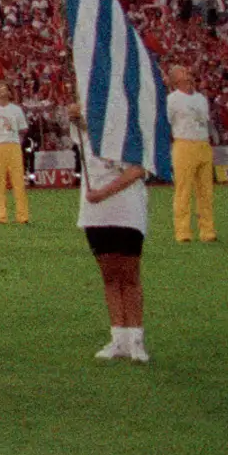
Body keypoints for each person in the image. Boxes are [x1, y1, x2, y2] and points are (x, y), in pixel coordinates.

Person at [79, 151, 151, 362]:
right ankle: (118, 338)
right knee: (109, 277)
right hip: (96, 213)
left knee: (129, 276)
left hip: (127, 209)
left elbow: (138, 169)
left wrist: (103, 193)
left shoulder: (133, 130)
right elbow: (80, 125)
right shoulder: (86, 128)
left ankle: (136, 339)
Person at [164, 65, 217, 244]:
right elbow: (166, 123)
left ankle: (207, 230)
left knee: (206, 191)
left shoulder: (201, 98)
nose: (187, 74)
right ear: (175, 79)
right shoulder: (172, 100)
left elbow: (205, 120)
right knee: (183, 190)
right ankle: (183, 231)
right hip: (184, 144)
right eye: (182, 72)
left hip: (203, 143)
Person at [0, 90, 32, 225]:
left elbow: (23, 128)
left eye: (4, 88)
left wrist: (14, 138)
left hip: (13, 146)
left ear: (9, 92)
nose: (1, 91)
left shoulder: (16, 109)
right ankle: (1, 216)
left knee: (18, 181)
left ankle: (22, 216)